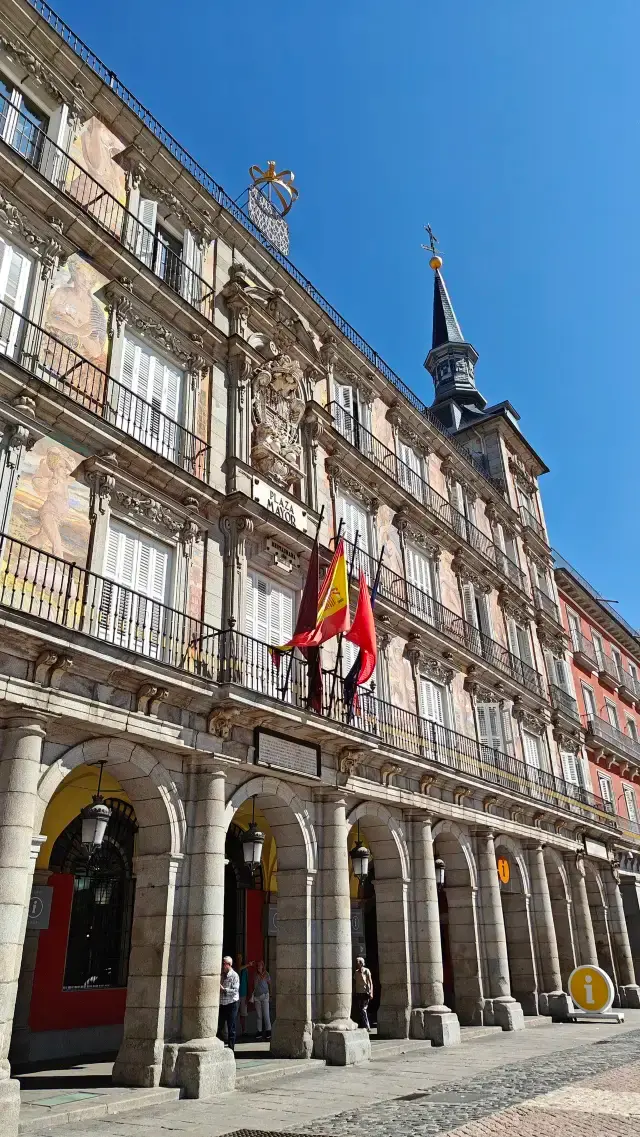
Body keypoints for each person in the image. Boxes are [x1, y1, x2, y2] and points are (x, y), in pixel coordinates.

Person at [217, 955, 240, 1052]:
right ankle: (219, 1046)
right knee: (220, 1026)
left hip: (231, 1004)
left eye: (224, 964)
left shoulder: (234, 975)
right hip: (222, 1004)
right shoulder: (221, 974)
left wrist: (224, 990)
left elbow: (235, 990)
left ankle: (231, 1049)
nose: (222, 965)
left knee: (231, 1027)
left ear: (229, 965)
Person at [250, 960, 272, 1041]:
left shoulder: (266, 974)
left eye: (260, 965)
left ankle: (268, 1031)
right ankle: (259, 1031)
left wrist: (271, 995)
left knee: (266, 1014)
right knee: (259, 1015)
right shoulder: (255, 974)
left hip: (265, 996)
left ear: (263, 966)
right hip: (257, 997)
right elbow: (253, 985)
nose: (259, 966)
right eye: (258, 965)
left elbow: (270, 984)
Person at [235, 953, 254, 1037]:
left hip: (243, 994)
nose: (239, 959)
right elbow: (239, 969)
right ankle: (233, 1030)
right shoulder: (234, 968)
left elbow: (247, 982)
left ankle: (244, 1031)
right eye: (238, 957)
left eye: (240, 957)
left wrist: (248, 995)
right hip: (235, 995)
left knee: (243, 1014)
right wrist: (248, 965)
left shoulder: (245, 970)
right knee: (234, 1014)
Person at [353, 956, 373, 1030]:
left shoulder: (366, 971)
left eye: (357, 962)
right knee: (360, 1010)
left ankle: (367, 1026)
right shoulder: (356, 972)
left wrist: (371, 992)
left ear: (361, 963)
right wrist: (354, 992)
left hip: (365, 992)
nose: (356, 964)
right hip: (359, 992)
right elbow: (355, 983)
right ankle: (364, 1025)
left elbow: (370, 982)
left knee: (363, 1009)